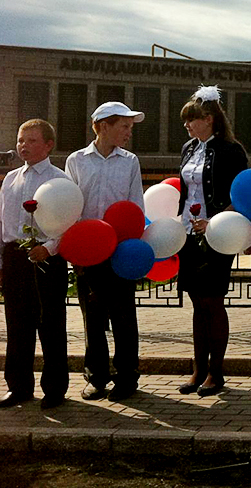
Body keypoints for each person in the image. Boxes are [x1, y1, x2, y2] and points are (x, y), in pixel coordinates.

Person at [65, 101, 146, 402]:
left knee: (124, 316)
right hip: (87, 249)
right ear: (102, 126)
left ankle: (127, 377)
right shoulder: (76, 160)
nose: (128, 132)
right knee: (93, 317)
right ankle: (96, 376)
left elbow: (136, 203)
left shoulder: (130, 162)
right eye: (124, 126)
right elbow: (70, 204)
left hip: (120, 249)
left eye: (130, 127)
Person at [176, 85, 248, 396]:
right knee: (195, 301)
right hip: (189, 234)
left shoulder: (231, 150)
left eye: (192, 120)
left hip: (217, 233)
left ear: (209, 118)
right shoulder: (188, 148)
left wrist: (215, 221)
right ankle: (198, 369)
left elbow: (241, 195)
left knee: (212, 301)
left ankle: (216, 373)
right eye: (186, 122)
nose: (188, 126)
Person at [0, 120, 70, 409]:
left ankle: (54, 388)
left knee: (50, 322)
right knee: (17, 323)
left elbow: (68, 223)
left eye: (31, 140)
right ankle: (19, 386)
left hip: (46, 257)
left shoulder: (59, 180)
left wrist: (49, 248)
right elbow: (3, 222)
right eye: (20, 140)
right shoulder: (10, 178)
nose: (23, 146)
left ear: (48, 144)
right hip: (15, 255)